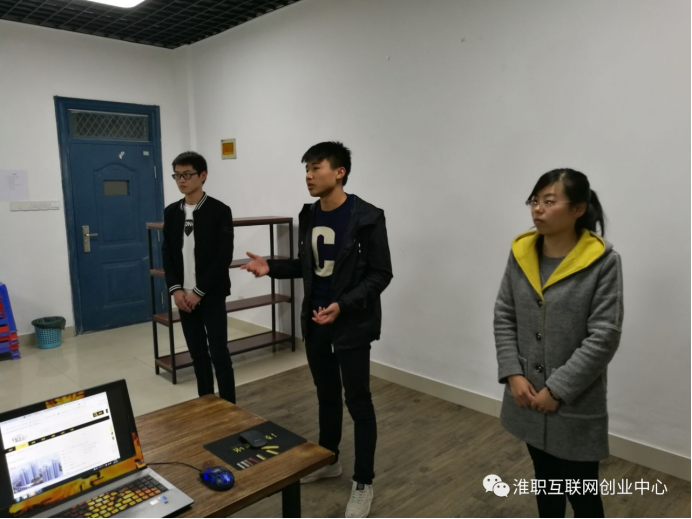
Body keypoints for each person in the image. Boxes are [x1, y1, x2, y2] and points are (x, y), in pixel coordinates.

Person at [241, 141, 393, 519]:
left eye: (316, 168)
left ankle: (363, 481)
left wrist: (343, 305)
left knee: (358, 402)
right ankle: (329, 459)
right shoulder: (309, 213)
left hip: (351, 324)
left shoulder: (367, 216)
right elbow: (308, 266)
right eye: (306, 169)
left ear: (339, 172)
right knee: (326, 395)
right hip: (315, 322)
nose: (308, 176)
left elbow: (380, 274)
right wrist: (272, 267)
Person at [494, 168, 624, 518]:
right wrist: (513, 374)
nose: (538, 208)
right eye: (535, 200)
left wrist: (557, 390)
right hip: (527, 393)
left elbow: (604, 336)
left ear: (578, 209)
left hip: (574, 401)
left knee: (583, 494)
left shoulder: (603, 262)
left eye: (549, 201)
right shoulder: (522, 252)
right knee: (546, 483)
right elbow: (504, 314)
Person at [162, 151, 236, 403]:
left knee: (219, 352)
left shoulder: (219, 211)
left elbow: (223, 257)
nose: (181, 180)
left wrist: (199, 291)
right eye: (177, 175)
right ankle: (207, 404)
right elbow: (167, 253)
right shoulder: (172, 212)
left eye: (187, 174)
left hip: (210, 294)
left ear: (202, 175)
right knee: (197, 354)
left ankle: (229, 406)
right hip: (183, 297)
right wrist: (176, 290)